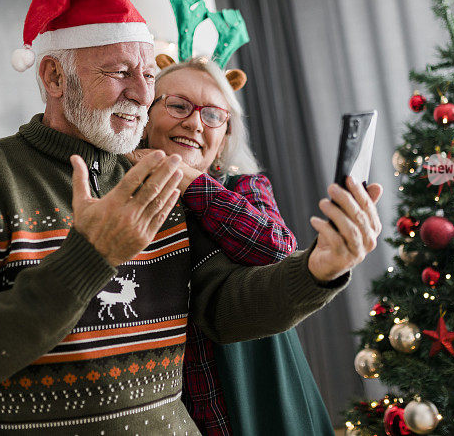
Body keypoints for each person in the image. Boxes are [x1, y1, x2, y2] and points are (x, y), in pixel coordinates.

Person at [0, 0, 383, 435]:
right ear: (53, 76)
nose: (140, 93)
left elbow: (221, 309)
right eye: (120, 73)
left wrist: (319, 269)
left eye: (149, 75)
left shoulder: (158, 176)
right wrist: (89, 257)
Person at [131, 56, 334, 435]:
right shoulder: (119, 193)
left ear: (223, 141)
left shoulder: (245, 187)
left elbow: (278, 251)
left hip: (260, 390)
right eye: (177, 105)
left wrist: (188, 179)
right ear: (145, 118)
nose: (194, 122)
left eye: (213, 116)